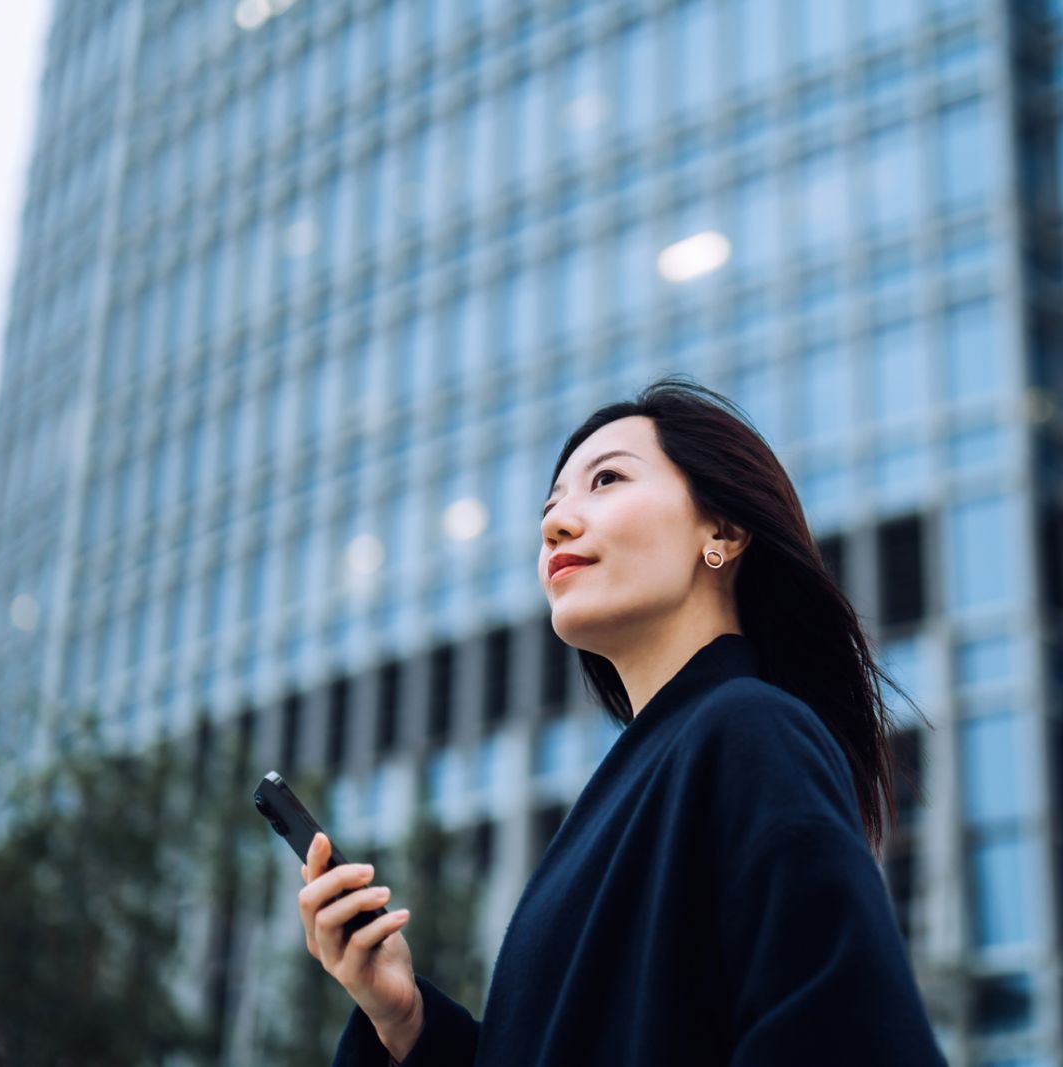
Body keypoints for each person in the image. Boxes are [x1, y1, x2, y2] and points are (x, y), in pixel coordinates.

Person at [297, 375, 948, 1065]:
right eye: (552, 504)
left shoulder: (750, 730)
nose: (555, 522)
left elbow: (839, 1031)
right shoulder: (634, 788)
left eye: (606, 480)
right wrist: (405, 1018)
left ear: (722, 530)